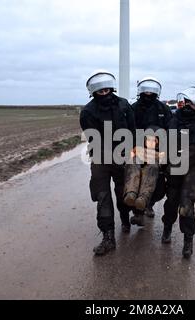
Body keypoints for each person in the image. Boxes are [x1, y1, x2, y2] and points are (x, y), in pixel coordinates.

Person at [80, 70, 135, 256]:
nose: (104, 93)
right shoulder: (88, 111)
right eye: (100, 91)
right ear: (93, 92)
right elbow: (92, 138)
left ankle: (126, 219)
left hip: (122, 157)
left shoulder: (124, 105)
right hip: (101, 160)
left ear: (112, 87)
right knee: (102, 196)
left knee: (122, 193)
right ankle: (108, 237)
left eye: (107, 90)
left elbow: (133, 130)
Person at [162, 86, 195, 259]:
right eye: (187, 102)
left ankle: (188, 241)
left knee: (186, 205)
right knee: (171, 202)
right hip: (174, 168)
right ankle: (167, 228)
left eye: (192, 103)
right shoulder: (175, 118)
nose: (187, 106)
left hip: (191, 169)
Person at [128, 77, 172, 225]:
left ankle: (149, 205)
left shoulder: (164, 109)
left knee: (156, 182)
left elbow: (170, 130)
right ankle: (138, 212)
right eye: (145, 90)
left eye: (151, 90)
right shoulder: (133, 108)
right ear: (140, 91)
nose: (148, 93)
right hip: (138, 149)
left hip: (157, 152)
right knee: (136, 177)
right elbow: (128, 129)